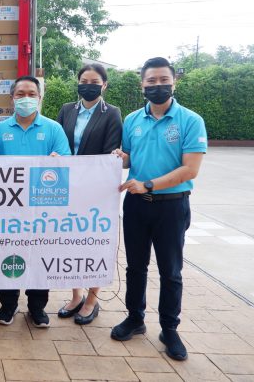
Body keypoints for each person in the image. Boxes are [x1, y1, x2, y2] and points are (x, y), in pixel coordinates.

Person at [111, 57, 207, 361]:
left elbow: (190, 169)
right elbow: (129, 158)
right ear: (142, 84)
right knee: (135, 266)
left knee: (171, 271)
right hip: (136, 205)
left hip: (172, 206)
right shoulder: (132, 120)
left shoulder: (190, 120)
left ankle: (169, 328)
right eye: (151, 81)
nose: (157, 86)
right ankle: (135, 318)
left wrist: (149, 184)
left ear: (173, 82)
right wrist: (121, 157)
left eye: (163, 80)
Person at [0, 76, 70, 327]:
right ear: (12, 98)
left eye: (31, 94)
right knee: (8, 254)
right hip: (8, 207)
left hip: (42, 206)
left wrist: (58, 161)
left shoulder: (54, 129)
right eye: (20, 94)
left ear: (39, 98)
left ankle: (37, 307)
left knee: (40, 256)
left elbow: (67, 164)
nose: (26, 99)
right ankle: (8, 305)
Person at [56, 64, 123, 325]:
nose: (88, 86)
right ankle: (76, 296)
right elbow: (59, 143)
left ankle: (92, 300)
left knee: (94, 243)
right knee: (70, 242)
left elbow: (109, 154)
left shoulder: (112, 113)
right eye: (84, 80)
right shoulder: (66, 109)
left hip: (96, 189)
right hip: (66, 188)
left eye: (94, 82)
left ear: (104, 85)